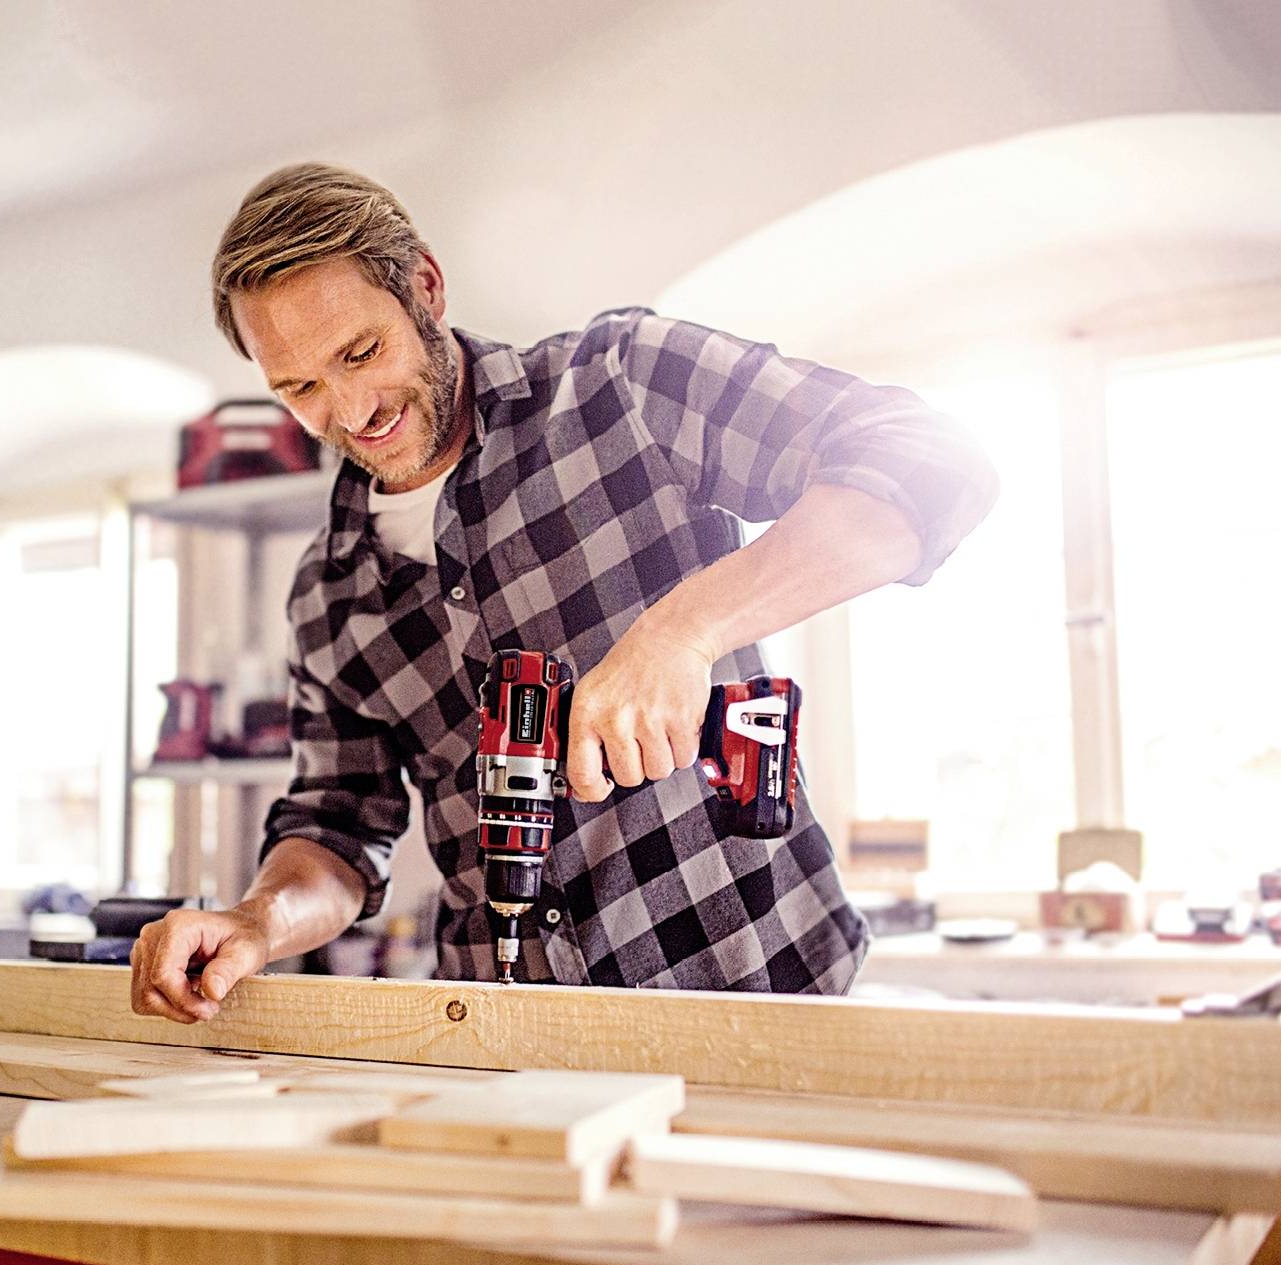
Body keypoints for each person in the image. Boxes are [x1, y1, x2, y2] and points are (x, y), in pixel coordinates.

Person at [129, 163, 996, 1023]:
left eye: (362, 353)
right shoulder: (328, 590)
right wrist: (254, 920)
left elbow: (930, 460)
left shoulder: (621, 387)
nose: (351, 410)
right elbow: (338, 828)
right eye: (301, 389)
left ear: (425, 288)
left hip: (763, 999)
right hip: (504, 1036)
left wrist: (684, 631)